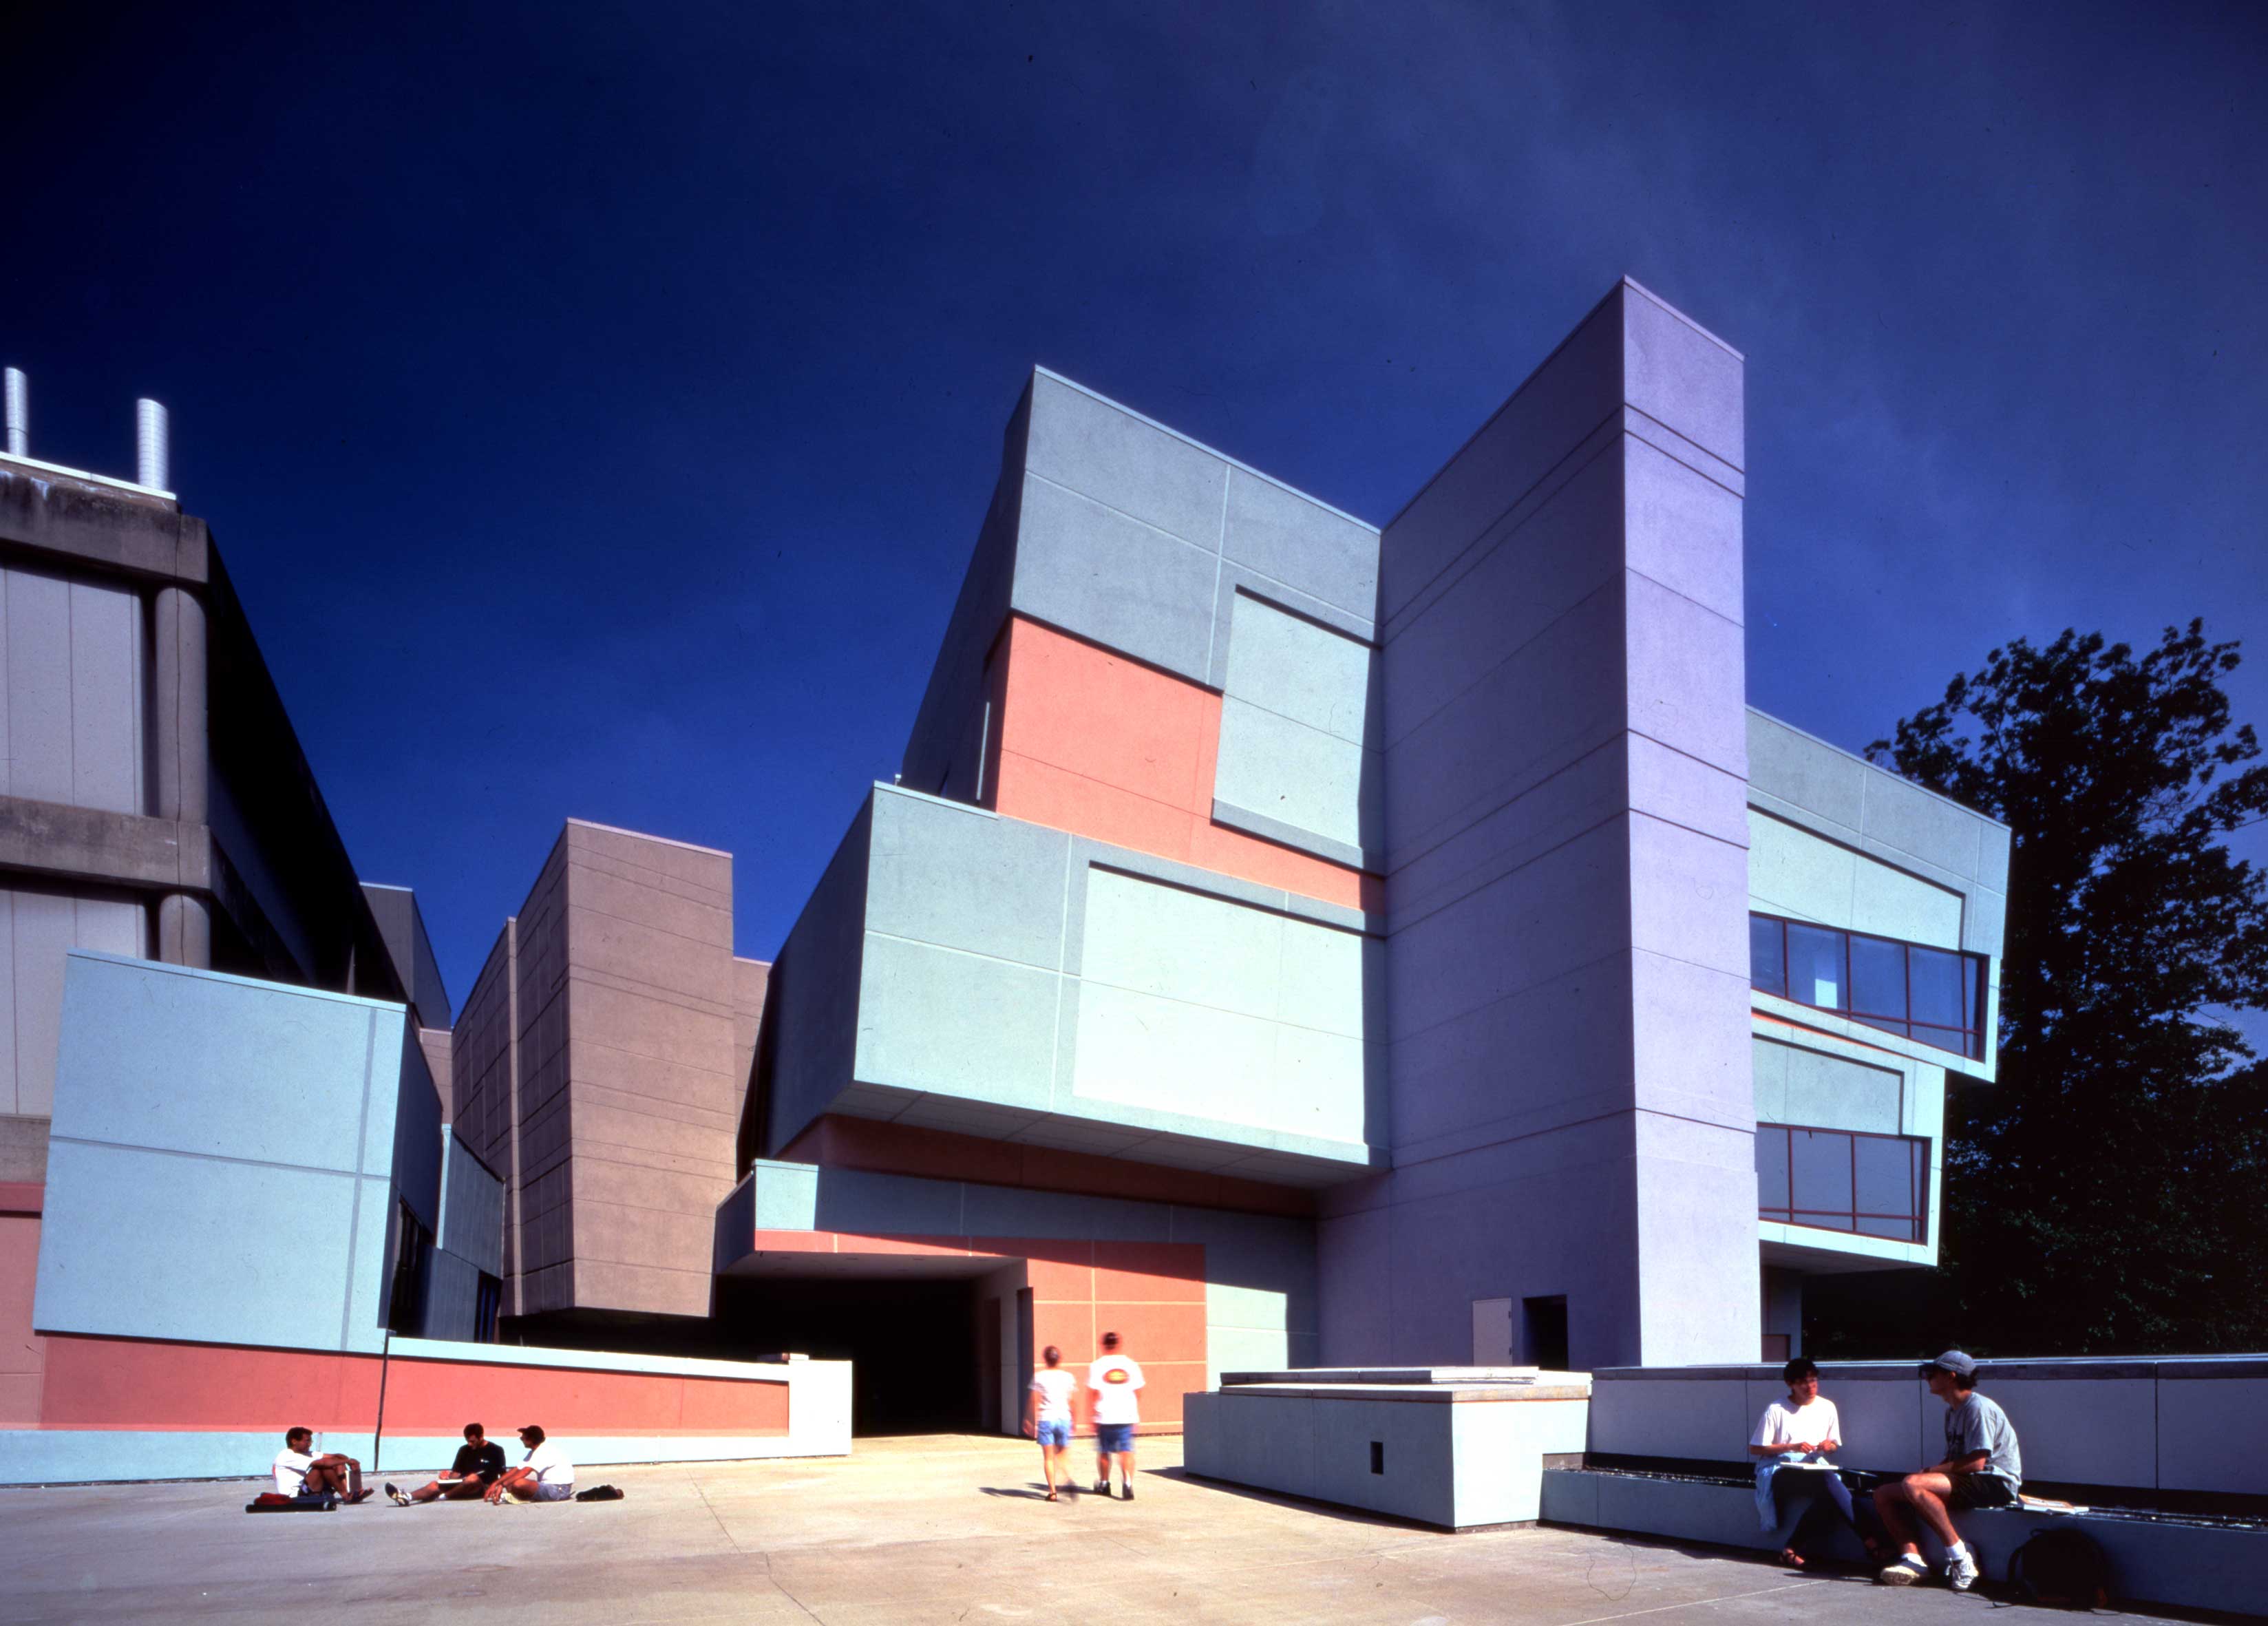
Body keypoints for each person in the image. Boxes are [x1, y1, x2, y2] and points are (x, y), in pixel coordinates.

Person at [1871, 1350, 2023, 1591]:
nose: (1928, 1378)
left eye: (1933, 1373)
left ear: (1951, 1376)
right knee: (1884, 1494)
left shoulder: (1978, 1408)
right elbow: (1955, 1460)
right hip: (1970, 1480)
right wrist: (1928, 1475)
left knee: (1913, 1484)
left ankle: (1961, 1558)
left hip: (1994, 1482)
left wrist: (1928, 1473)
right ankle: (1913, 1559)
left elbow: (1976, 1464)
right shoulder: (1952, 1411)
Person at [1748, 1357, 1867, 1569]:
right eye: (1803, 1382)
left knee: (1830, 1491)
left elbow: (1833, 1445)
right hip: (1780, 1469)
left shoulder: (1827, 1407)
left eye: (1813, 1381)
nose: (1810, 1386)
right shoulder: (1777, 1409)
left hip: (1813, 1466)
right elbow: (1756, 1448)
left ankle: (1791, 1549)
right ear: (1791, 1384)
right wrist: (1790, 1447)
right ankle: (1872, 1543)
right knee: (1829, 1482)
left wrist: (1828, 1446)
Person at [1085, 1330, 1145, 1501]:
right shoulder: (1131, 1365)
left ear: (1103, 1345)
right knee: (1126, 1451)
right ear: (1118, 1344)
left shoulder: (1097, 1365)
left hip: (1105, 1416)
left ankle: (1104, 1483)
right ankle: (1127, 1483)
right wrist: (1132, 1408)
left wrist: (1091, 1416)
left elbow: (1093, 1393)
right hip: (1126, 1416)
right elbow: (1138, 1390)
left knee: (1104, 1452)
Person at [385, 1423, 507, 1505]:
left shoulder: (496, 1450)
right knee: (435, 1484)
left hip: (481, 1487)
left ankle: (445, 1496)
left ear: (481, 1437)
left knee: (472, 1479)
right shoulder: (464, 1450)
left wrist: (500, 1489)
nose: (469, 1444)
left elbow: (503, 1475)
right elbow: (456, 1474)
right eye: (467, 1441)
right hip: (461, 1485)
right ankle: (407, 1497)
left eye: (472, 1441)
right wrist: (447, 1477)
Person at [1024, 1344, 1079, 1501]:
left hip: (1047, 1419)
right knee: (1062, 1454)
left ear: (1045, 1360)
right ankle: (1068, 1478)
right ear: (1059, 1359)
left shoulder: (1040, 1377)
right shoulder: (1068, 1377)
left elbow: (1033, 1400)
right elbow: (1072, 1401)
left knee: (1048, 1458)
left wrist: (1028, 1419)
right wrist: (1074, 1420)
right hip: (1064, 1418)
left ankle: (1053, 1493)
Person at [271, 1426, 372, 1503]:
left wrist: (348, 1461)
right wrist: (347, 1462)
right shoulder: (286, 1456)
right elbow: (323, 1463)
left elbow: (336, 1456)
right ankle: (346, 1496)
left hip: (306, 1490)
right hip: (294, 1496)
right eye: (307, 1441)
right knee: (323, 1467)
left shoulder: (306, 1454)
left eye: (311, 1441)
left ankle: (354, 1491)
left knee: (336, 1461)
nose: (310, 1444)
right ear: (294, 1441)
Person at [485, 1424, 575, 1503]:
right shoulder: (535, 1451)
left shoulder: (545, 1451)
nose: (521, 1439)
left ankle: (522, 1498)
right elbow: (517, 1469)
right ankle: (520, 1497)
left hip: (559, 1490)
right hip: (550, 1487)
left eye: (523, 1437)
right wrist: (496, 1483)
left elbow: (525, 1471)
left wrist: (502, 1485)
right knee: (512, 1480)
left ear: (531, 1439)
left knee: (518, 1483)